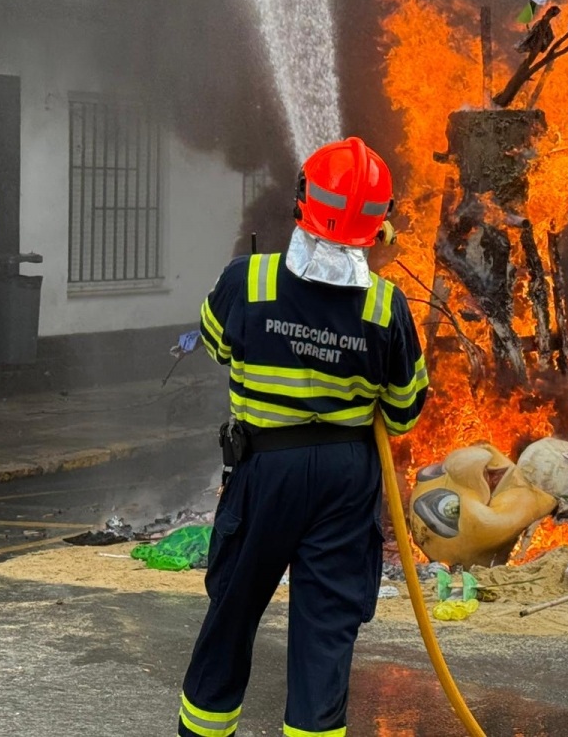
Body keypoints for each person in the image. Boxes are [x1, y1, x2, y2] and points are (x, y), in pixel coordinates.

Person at [178, 136, 428, 737]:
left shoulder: (247, 280)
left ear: (301, 201)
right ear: (380, 224)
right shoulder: (386, 305)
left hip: (264, 470)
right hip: (345, 479)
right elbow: (403, 413)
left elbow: (215, 345)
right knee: (325, 636)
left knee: (232, 617)